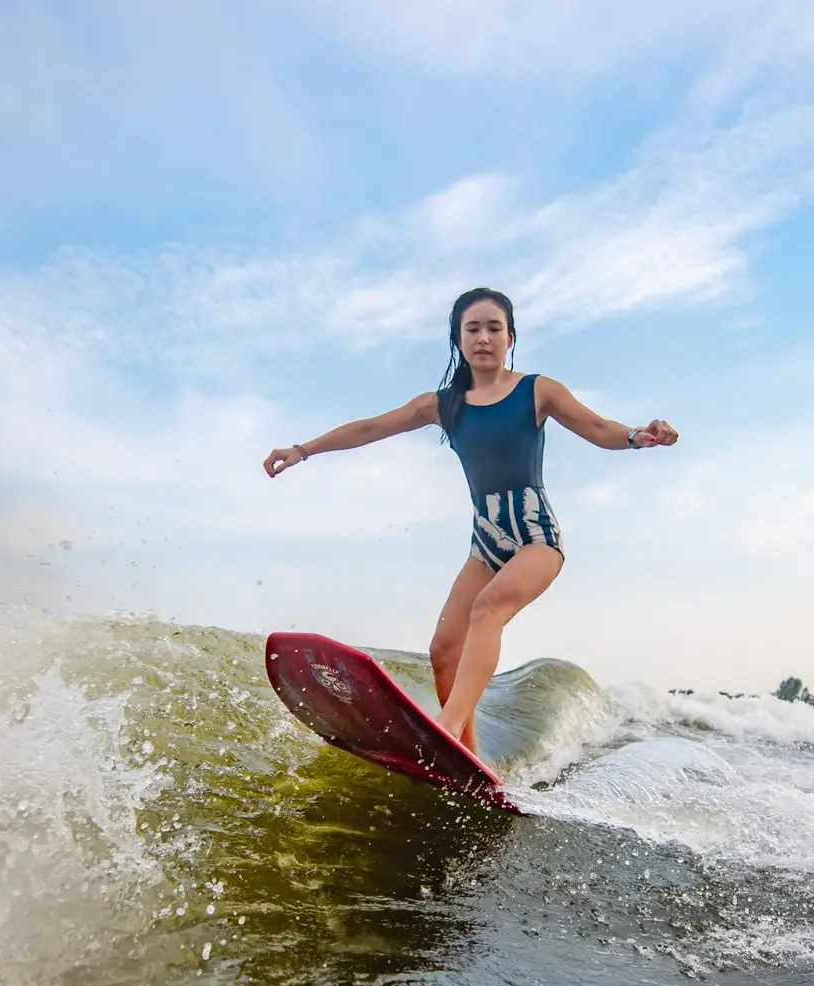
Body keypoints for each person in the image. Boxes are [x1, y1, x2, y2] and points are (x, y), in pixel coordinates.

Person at [262, 287, 679, 753]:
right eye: (472, 329)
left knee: (487, 610)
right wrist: (302, 450)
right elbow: (369, 428)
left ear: (510, 337)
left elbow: (599, 429)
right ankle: (470, 761)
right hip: (486, 542)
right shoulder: (442, 405)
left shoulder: (537, 391)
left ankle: (446, 726)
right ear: (458, 341)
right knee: (443, 650)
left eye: (493, 328)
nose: (483, 338)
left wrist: (640, 436)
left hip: (536, 538)